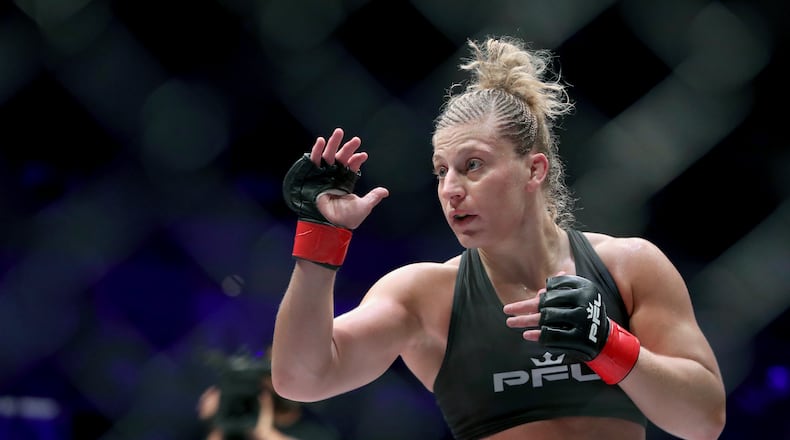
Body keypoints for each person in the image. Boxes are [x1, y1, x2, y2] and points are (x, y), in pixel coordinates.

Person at [271, 35, 726, 440]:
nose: (450, 188)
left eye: (472, 164)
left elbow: (704, 420)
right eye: (440, 171)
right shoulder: (425, 296)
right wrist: (321, 237)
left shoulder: (629, 266)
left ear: (534, 169)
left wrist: (607, 343)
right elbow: (300, 380)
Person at [197, 348, 342, 440]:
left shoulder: (316, 432)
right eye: (272, 372)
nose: (279, 383)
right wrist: (220, 416)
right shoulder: (239, 421)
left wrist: (265, 433)